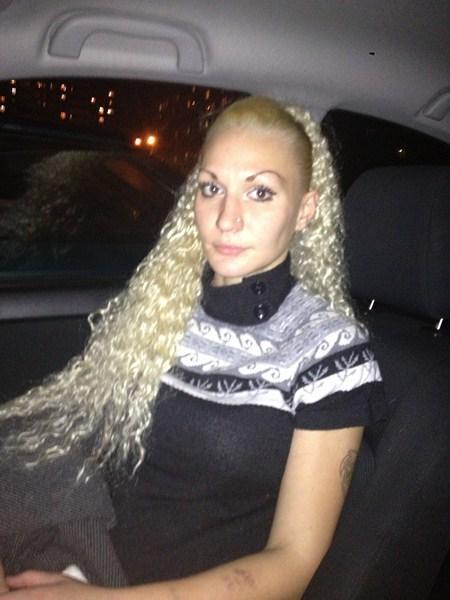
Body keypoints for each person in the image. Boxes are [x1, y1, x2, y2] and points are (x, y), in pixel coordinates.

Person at [0, 96, 385, 599]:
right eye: (212, 187)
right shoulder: (165, 304)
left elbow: (293, 563)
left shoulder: (329, 353)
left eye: (260, 192)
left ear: (305, 210)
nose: (227, 218)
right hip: (90, 543)